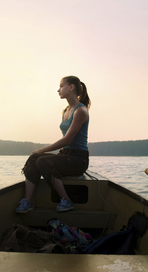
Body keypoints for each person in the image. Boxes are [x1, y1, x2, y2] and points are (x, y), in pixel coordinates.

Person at [16, 75, 91, 213]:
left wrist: (42, 150)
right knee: (34, 159)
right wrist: (39, 153)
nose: (58, 90)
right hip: (66, 154)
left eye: (62, 86)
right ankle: (28, 201)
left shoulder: (81, 110)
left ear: (71, 87)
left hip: (78, 159)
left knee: (42, 161)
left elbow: (67, 140)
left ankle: (66, 200)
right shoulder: (66, 111)